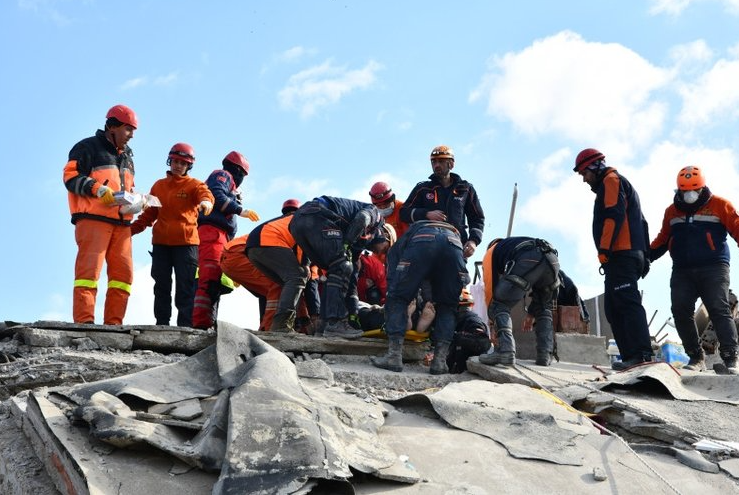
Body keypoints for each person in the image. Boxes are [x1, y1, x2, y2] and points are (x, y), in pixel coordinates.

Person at [650, 166, 739, 373]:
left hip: (714, 267)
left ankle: (731, 359)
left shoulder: (720, 205)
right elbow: (663, 239)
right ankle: (696, 357)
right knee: (680, 311)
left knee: (719, 309)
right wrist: (646, 258)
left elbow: (736, 226)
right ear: (678, 190)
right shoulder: (671, 212)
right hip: (682, 270)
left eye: (694, 189)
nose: (690, 194)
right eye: (685, 191)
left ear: (702, 187)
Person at [574, 148, 653, 370]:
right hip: (626, 255)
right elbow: (642, 223)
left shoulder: (611, 180)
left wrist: (605, 250)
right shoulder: (618, 184)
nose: (584, 179)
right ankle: (631, 356)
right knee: (613, 307)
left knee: (626, 303)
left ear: (594, 167)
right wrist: (645, 256)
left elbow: (613, 215)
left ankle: (641, 355)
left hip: (621, 255)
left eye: (584, 173)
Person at [62, 104, 138, 325]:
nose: (131, 135)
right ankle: (84, 323)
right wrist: (97, 189)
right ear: (112, 127)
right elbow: (70, 177)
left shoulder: (128, 156)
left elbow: (127, 186)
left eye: (133, 130)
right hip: (93, 220)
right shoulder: (87, 147)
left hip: (122, 224)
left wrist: (136, 201)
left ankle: (114, 325)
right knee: (89, 273)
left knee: (123, 278)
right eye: (128, 129)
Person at [130, 143, 214, 327]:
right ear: (170, 161)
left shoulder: (195, 185)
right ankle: (162, 324)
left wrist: (206, 203)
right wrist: (128, 231)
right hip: (161, 244)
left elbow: (205, 195)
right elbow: (149, 215)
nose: (178, 165)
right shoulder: (159, 186)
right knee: (161, 286)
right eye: (175, 161)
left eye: (183, 163)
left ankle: (184, 327)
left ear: (188, 166)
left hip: (186, 245)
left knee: (185, 287)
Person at [370, 220, 468, 374]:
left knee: (397, 298)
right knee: (448, 306)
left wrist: (393, 294)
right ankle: (439, 362)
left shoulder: (405, 238)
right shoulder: (452, 235)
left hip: (424, 238)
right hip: (455, 243)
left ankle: (394, 357)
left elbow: (394, 277)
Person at [289, 196, 386, 339]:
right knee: (341, 266)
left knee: (337, 270)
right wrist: (346, 243)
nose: (380, 254)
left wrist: (353, 315)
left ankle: (323, 325)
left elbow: (351, 279)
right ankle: (335, 323)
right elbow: (361, 219)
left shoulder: (358, 243)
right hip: (316, 216)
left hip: (298, 223)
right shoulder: (376, 216)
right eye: (385, 249)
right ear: (385, 236)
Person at [192, 151, 260, 329]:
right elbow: (216, 195)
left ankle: (207, 322)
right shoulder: (223, 175)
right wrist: (240, 210)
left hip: (219, 236)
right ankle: (201, 323)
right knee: (209, 278)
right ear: (238, 170)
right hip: (212, 233)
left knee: (214, 281)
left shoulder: (229, 183)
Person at [478, 237, 560, 367]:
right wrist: (531, 314)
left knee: (499, 304)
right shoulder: (514, 245)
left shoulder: (491, 252)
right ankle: (545, 354)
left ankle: (506, 351)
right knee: (544, 307)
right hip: (552, 260)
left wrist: (492, 320)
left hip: (529, 258)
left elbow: (490, 288)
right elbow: (539, 292)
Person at [400, 145, 485, 260]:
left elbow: (477, 218)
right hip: (425, 248)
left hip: (456, 248)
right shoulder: (422, 189)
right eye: (433, 162)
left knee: (460, 278)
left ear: (451, 164)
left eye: (441, 161)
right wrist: (426, 214)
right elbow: (404, 213)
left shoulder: (465, 189)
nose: (436, 165)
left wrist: (473, 241)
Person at [246, 200, 313, 333]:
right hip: (267, 242)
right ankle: (282, 326)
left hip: (252, 248)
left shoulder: (283, 220)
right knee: (298, 277)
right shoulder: (304, 219)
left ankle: (286, 324)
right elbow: (302, 245)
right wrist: (306, 266)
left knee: (287, 283)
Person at [220, 234, 281, 332]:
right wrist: (304, 317)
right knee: (276, 285)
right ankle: (268, 328)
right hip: (238, 253)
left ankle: (265, 326)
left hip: (232, 253)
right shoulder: (299, 235)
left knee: (267, 289)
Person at [447, 288, 492, 373]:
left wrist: (457, 337)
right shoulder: (460, 323)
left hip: (471, 372)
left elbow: (483, 343)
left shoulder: (472, 321)